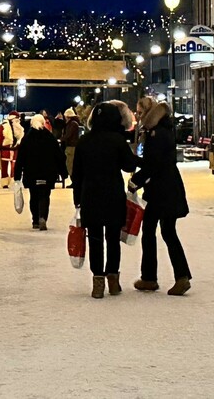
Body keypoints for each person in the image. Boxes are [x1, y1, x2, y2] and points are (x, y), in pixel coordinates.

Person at [69, 102, 137, 298]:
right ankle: (113, 280)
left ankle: (97, 281)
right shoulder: (117, 140)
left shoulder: (84, 141)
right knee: (113, 240)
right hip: (113, 195)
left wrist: (77, 200)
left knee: (95, 239)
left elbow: (77, 174)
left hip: (90, 196)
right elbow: (128, 165)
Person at [131, 99, 191, 296]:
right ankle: (180, 276)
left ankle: (150, 277)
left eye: (140, 113)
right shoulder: (159, 130)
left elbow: (154, 163)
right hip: (167, 188)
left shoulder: (157, 133)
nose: (138, 116)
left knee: (151, 230)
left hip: (161, 190)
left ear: (149, 113)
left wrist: (136, 181)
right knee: (167, 231)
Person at [13, 114, 65, 230]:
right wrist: (63, 172)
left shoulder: (26, 139)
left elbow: (20, 158)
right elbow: (59, 156)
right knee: (45, 196)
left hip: (32, 173)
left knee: (34, 195)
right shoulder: (50, 138)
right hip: (48, 173)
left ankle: (35, 219)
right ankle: (43, 217)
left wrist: (17, 175)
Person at [0, 111, 24, 188]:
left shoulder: (19, 128)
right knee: (4, 166)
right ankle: (5, 182)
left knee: (14, 166)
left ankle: (13, 180)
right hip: (6, 148)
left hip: (15, 149)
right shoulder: (3, 126)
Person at [61, 109, 82, 184]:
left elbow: (68, 135)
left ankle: (74, 182)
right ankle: (74, 182)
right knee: (70, 165)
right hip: (71, 146)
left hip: (71, 147)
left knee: (70, 165)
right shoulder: (73, 123)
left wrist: (61, 139)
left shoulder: (72, 124)